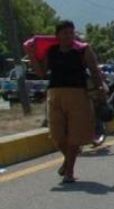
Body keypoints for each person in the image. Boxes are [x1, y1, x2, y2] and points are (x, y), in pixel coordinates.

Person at [28, 20, 108, 183]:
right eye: (65, 33)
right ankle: (68, 160)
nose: (69, 36)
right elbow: (42, 73)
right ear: (57, 36)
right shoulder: (51, 51)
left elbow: (94, 70)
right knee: (57, 135)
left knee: (75, 135)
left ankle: (69, 171)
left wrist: (100, 89)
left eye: (71, 33)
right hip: (55, 94)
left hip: (78, 94)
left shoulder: (83, 50)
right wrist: (31, 54)